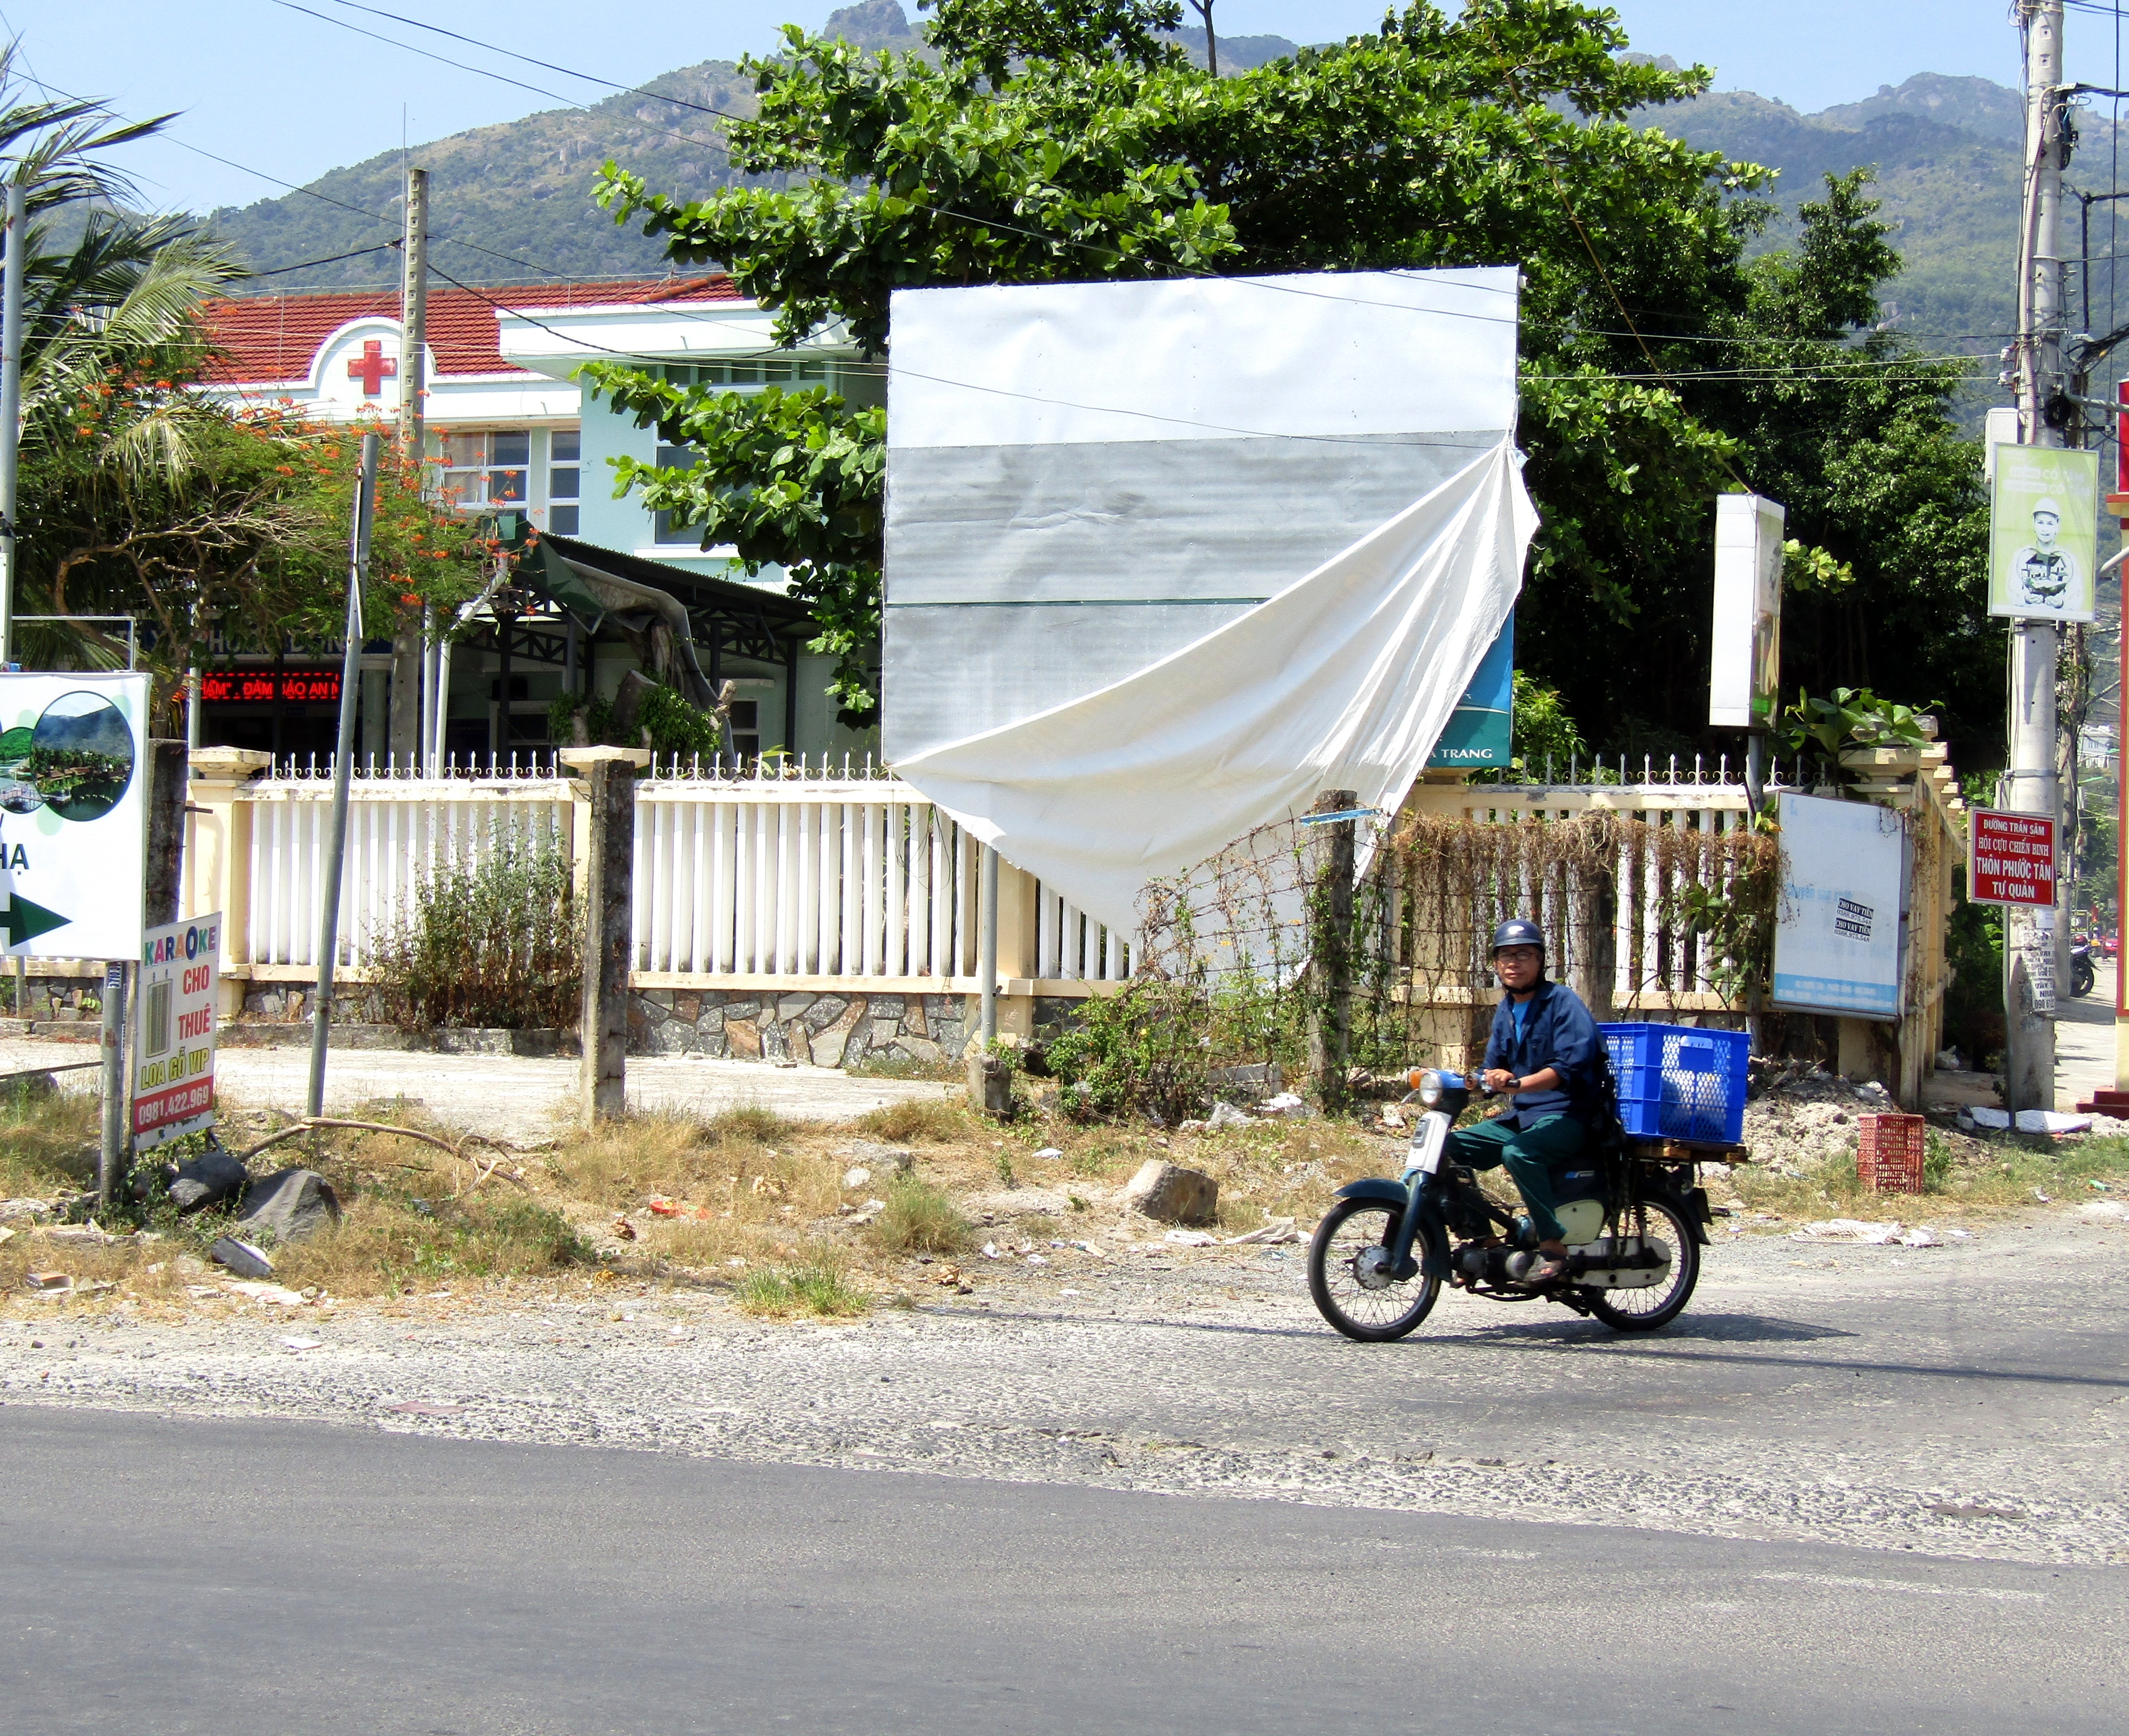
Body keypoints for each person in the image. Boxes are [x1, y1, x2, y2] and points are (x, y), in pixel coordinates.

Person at [1446, 917, 1603, 1287]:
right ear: (1496, 964)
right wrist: (1470, 1080)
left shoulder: (1562, 1002)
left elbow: (1568, 1067)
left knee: (1520, 1153)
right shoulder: (1506, 1009)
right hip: (1525, 1114)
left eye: (1523, 954)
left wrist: (1518, 1085)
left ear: (1540, 961)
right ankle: (1484, 1241)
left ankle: (1553, 1244)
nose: (1513, 963)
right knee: (1448, 1148)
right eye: (1504, 956)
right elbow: (1493, 1069)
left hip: (1570, 1114)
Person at [2011, 497, 2078, 610]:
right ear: (2034, 523)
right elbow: (2011, 591)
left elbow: (2077, 596)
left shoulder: (2068, 559)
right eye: (2041, 523)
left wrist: (2061, 603)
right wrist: (2025, 599)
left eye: (2050, 524)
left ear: (2057, 524)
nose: (2045, 529)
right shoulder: (2022, 556)